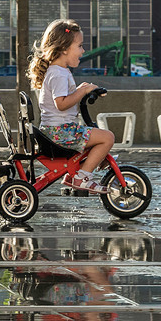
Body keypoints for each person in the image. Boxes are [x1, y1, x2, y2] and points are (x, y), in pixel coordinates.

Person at [27, 19, 115, 194]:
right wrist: (82, 92)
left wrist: (82, 89)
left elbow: (65, 97)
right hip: (60, 132)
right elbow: (61, 103)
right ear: (64, 49)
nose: (83, 51)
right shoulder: (58, 73)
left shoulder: (58, 71)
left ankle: (73, 173)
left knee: (95, 136)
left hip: (57, 130)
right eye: (80, 46)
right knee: (107, 137)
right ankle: (81, 177)